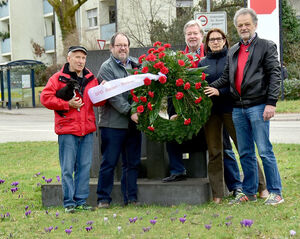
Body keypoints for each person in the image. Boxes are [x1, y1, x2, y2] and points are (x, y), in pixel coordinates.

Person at [205, 8, 284, 205]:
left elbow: (275, 75)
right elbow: (225, 78)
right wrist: (202, 88)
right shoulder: (234, 50)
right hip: (238, 108)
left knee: (264, 150)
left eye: (247, 24)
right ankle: (248, 191)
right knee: (246, 152)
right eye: (240, 25)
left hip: (258, 106)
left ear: (255, 25)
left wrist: (271, 103)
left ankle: (275, 192)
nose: (243, 28)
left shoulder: (266, 46)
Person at [199, 28, 268, 203]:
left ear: (224, 40)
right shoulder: (202, 63)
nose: (215, 42)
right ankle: (218, 194)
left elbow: (235, 83)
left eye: (218, 38)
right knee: (215, 152)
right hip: (211, 114)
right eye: (211, 39)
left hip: (232, 109)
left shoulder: (232, 57)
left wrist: (219, 92)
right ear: (207, 43)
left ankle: (261, 187)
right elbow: (200, 86)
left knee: (244, 148)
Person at [40, 46, 106, 213]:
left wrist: (103, 91)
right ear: (69, 58)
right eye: (77, 57)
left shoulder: (91, 79)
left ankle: (81, 201)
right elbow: (45, 98)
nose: (80, 61)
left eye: (83, 58)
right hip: (67, 130)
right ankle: (69, 203)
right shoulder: (57, 78)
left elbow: (98, 103)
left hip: (87, 130)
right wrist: (66, 104)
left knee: (84, 167)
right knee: (68, 168)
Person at [96, 32, 142, 208]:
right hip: (112, 124)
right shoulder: (106, 68)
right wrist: (130, 111)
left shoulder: (137, 64)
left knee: (132, 163)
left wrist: (137, 109)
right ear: (111, 48)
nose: (123, 48)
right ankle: (103, 199)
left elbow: (142, 90)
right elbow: (112, 95)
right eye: (119, 45)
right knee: (109, 162)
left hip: (133, 122)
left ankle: (131, 198)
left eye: (125, 45)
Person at [162, 20, 205, 183]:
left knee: (221, 142)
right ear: (185, 36)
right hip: (181, 103)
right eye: (189, 34)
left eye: (195, 33)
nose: (192, 37)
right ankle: (178, 170)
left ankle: (232, 180)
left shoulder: (208, 53)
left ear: (201, 35)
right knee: (170, 130)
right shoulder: (178, 58)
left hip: (205, 103)